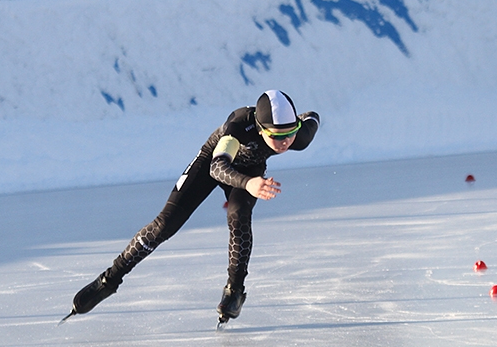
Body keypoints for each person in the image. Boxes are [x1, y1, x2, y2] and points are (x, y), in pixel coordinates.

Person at [65, 90, 319, 324]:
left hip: (251, 169)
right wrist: (249, 183)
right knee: (165, 224)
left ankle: (235, 290)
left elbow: (312, 117)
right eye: (277, 136)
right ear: (262, 129)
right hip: (213, 163)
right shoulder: (238, 126)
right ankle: (109, 280)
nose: (286, 141)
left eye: (290, 133)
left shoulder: (300, 136)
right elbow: (217, 167)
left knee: (239, 214)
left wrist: (299, 121)